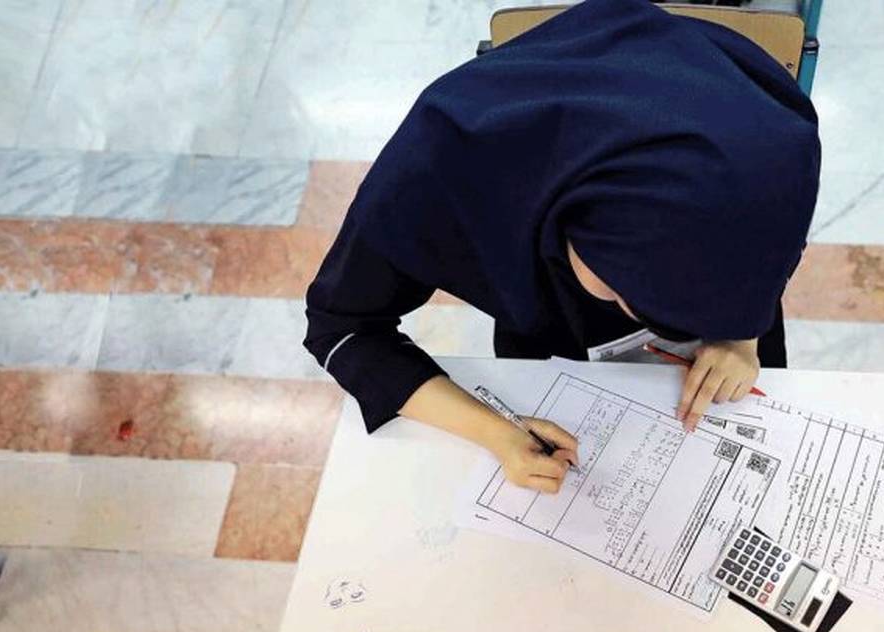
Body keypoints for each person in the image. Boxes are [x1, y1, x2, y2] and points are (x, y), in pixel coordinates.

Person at [303, 0, 821, 495]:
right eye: (624, 294)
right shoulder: (435, 170)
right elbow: (343, 328)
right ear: (560, 213)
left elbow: (776, 234)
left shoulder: (766, 147)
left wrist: (740, 334)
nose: (639, 321)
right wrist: (497, 431)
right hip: (552, 334)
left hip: (726, 341)